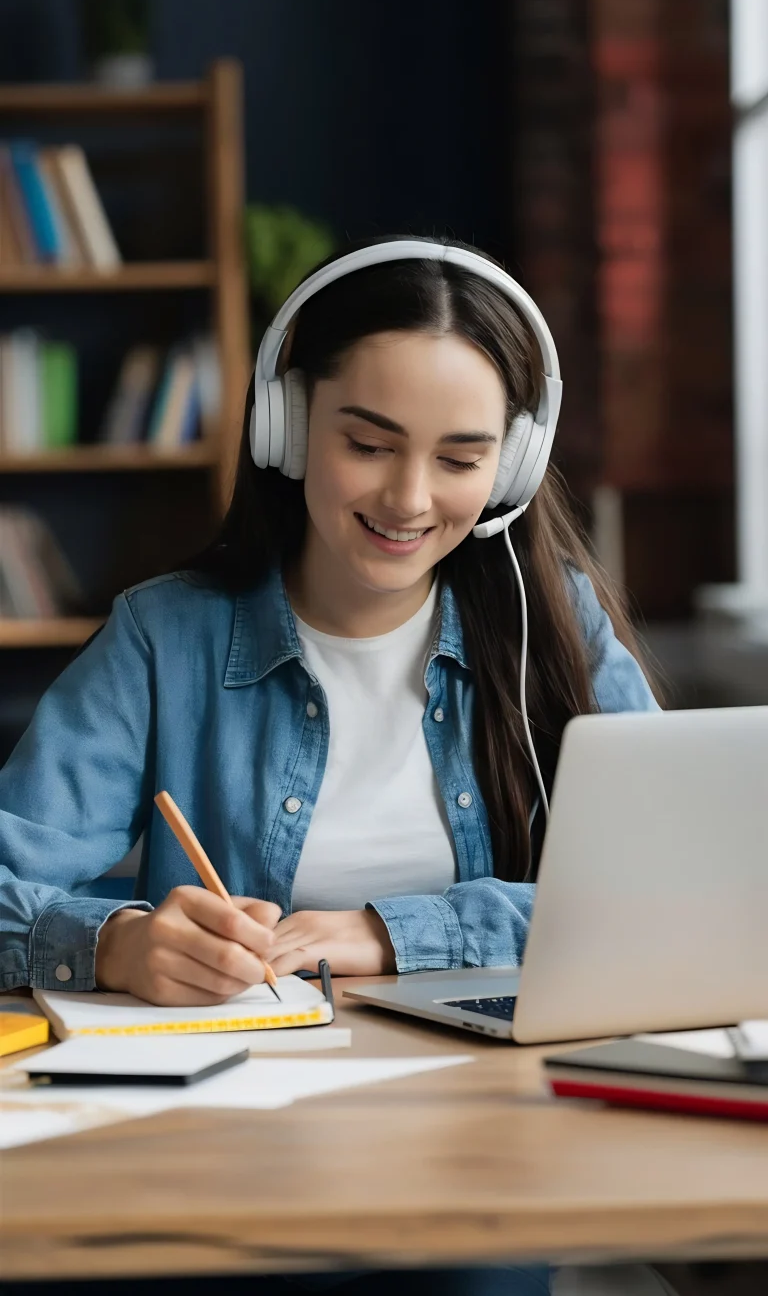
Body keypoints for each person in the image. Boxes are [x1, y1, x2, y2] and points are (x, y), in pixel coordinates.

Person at [0, 236, 672, 1296]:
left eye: (459, 459)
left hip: (473, 1142)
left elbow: (663, 898)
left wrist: (388, 931)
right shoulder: (160, 639)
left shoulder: (555, 630)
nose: (409, 498)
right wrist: (121, 944)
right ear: (289, 422)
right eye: (369, 443)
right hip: (212, 1135)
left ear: (512, 464)